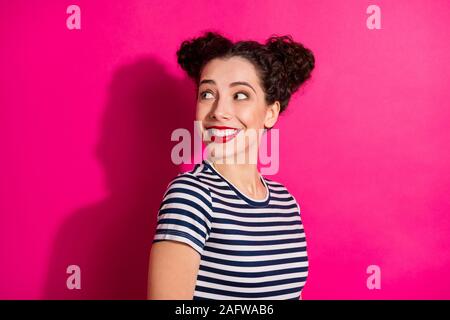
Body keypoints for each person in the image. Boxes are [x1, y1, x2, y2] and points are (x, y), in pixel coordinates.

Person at [147, 31, 315, 300]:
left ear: (270, 113)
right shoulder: (190, 196)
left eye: (239, 95)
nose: (218, 111)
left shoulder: (286, 202)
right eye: (207, 93)